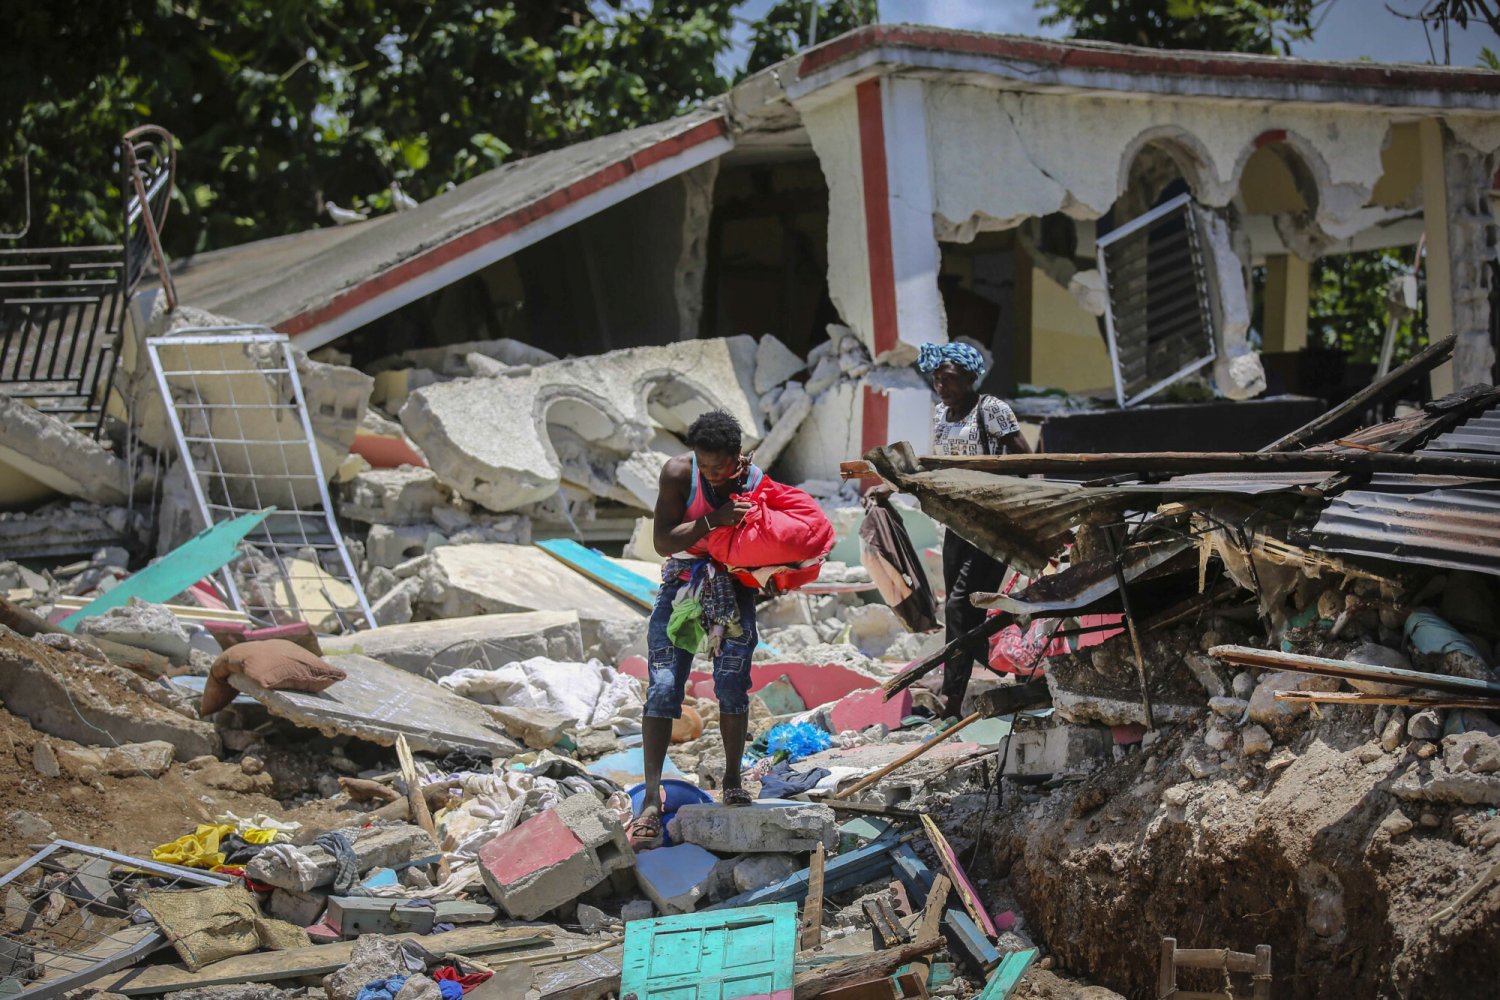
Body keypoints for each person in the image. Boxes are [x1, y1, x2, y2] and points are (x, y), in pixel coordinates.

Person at [872, 342, 1031, 720]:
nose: (941, 386)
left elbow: (1024, 456)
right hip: (956, 521)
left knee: (962, 603)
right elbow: (937, 466)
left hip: (989, 523)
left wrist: (999, 491)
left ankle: (955, 699)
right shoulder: (942, 414)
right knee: (959, 608)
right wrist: (893, 485)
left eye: (950, 379)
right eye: (937, 379)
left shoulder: (991, 409)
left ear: (971, 378)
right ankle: (977, 680)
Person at [629, 409, 760, 849]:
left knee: (730, 684)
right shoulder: (679, 473)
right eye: (705, 465)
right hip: (683, 584)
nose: (711, 473)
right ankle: (650, 800)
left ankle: (732, 779)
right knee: (664, 687)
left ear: (737, 456)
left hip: (733, 586)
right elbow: (663, 540)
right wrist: (712, 520)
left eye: (719, 466)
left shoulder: (756, 481)